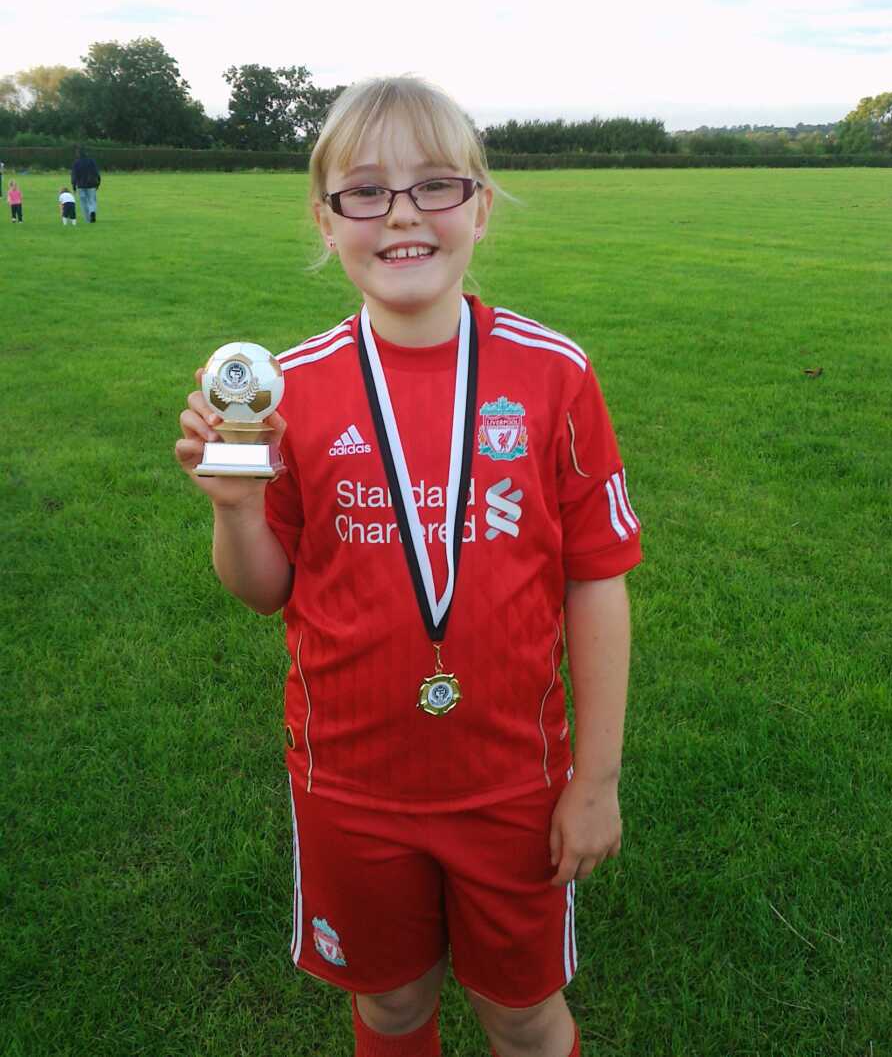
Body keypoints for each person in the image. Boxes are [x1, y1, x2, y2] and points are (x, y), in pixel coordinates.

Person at [175, 77, 642, 1057]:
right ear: (325, 216)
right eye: (365, 192)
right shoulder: (290, 387)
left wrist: (595, 778)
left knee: (521, 1013)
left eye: (435, 185)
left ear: (478, 204)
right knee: (390, 1003)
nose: (400, 214)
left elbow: (597, 577)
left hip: (514, 780)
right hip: (350, 778)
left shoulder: (554, 372)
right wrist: (237, 506)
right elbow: (266, 588)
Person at [71, 145, 101, 222]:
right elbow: (96, 172)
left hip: (81, 186)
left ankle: (88, 219)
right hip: (91, 185)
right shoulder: (91, 161)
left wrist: (74, 185)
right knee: (92, 200)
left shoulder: (76, 163)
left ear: (78, 154)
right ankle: (92, 211)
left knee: (83, 202)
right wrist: (98, 183)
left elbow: (74, 175)